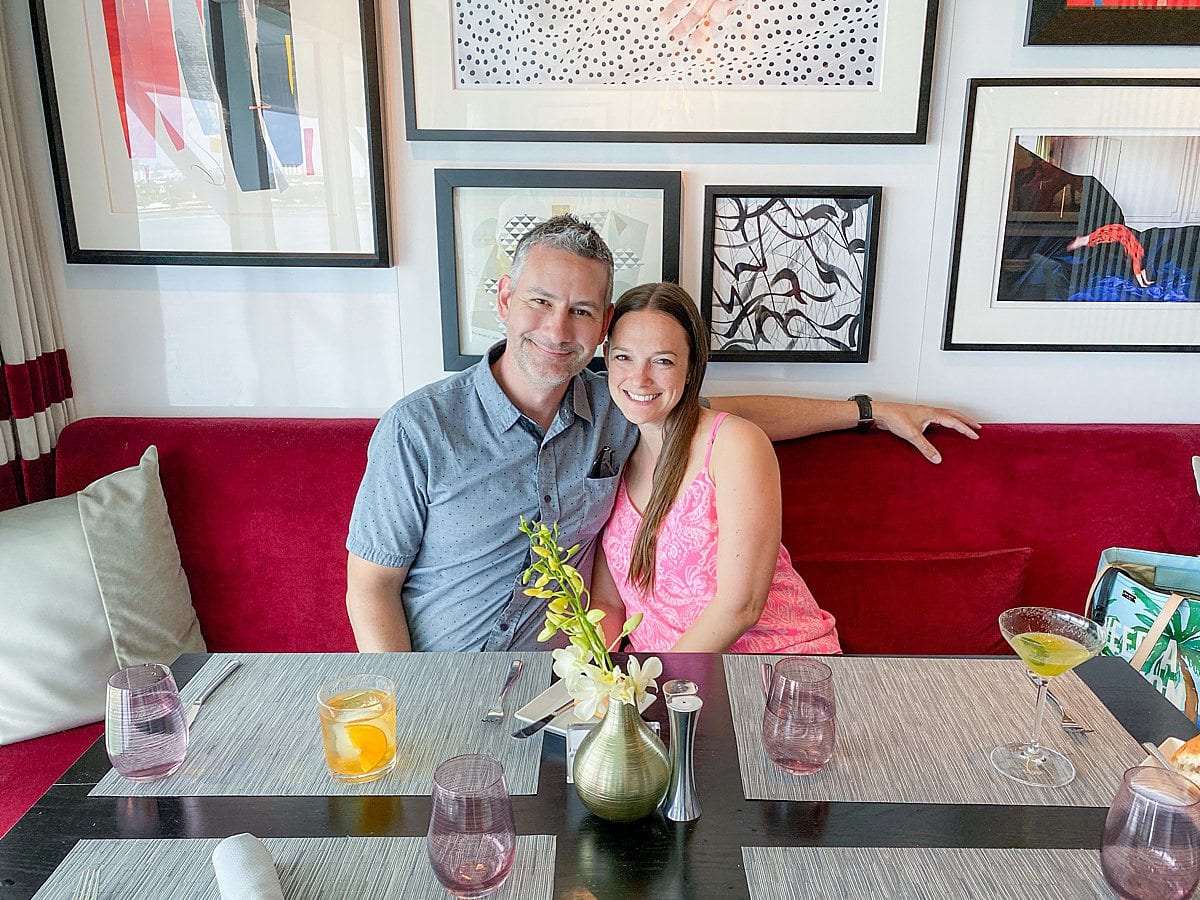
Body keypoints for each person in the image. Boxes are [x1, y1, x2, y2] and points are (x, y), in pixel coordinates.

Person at [346, 215, 980, 653]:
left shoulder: (617, 404)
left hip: (555, 680)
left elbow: (726, 419)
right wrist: (410, 698)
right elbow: (370, 588)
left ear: (603, 326)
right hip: (444, 673)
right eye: (540, 301)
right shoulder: (420, 427)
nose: (558, 329)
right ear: (505, 298)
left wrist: (865, 409)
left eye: (583, 311)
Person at [590, 283, 840, 654]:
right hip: (659, 684)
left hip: (771, 667)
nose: (639, 378)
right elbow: (608, 604)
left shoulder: (733, 445)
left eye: (663, 361)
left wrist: (653, 687)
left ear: (691, 367)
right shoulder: (613, 455)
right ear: (607, 357)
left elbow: (741, 608)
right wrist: (595, 676)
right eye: (625, 357)